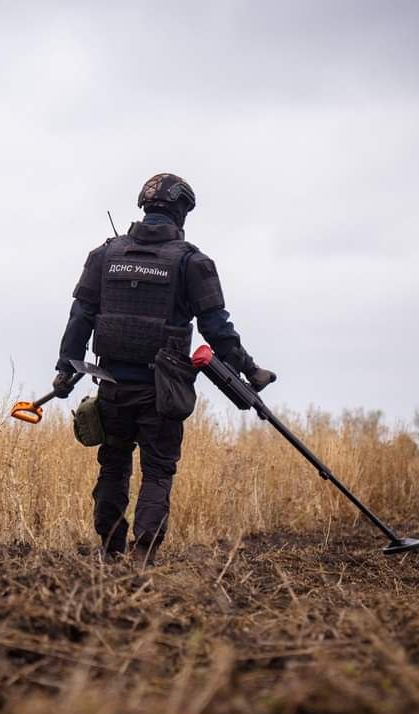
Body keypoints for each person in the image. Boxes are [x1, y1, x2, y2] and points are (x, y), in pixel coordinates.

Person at [53, 173, 276, 566]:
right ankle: (142, 554)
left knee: (113, 463)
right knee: (157, 471)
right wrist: (250, 369)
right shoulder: (192, 262)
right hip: (162, 391)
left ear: (145, 206)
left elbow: (81, 316)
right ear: (181, 212)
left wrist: (65, 369)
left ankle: (109, 550)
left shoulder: (104, 256)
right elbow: (217, 329)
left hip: (111, 386)